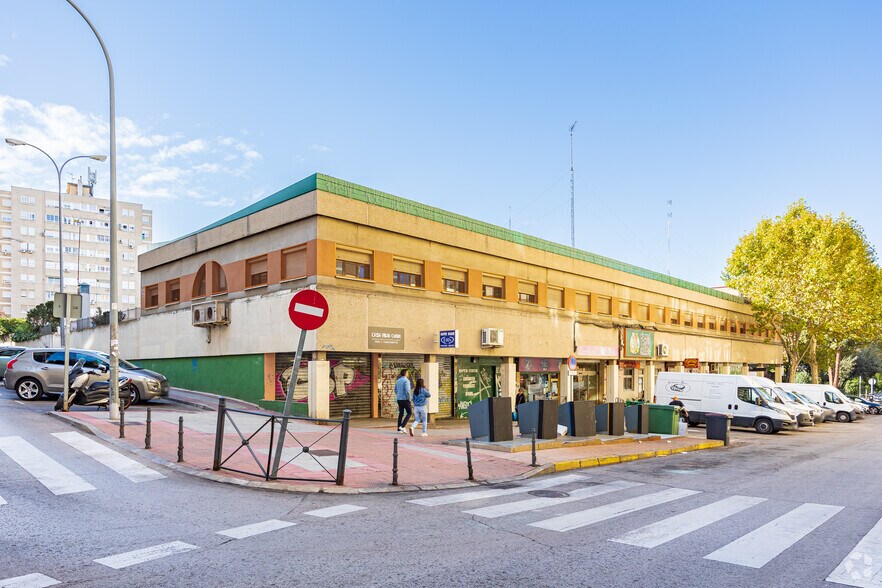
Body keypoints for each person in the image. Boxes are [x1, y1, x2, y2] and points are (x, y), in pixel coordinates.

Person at [395, 369, 413, 434]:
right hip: (405, 399)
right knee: (409, 412)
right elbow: (408, 391)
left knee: (401, 413)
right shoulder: (406, 381)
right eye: (407, 372)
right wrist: (409, 398)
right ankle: (402, 426)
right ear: (405, 373)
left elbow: (395, 390)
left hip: (399, 399)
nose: (408, 374)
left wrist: (399, 395)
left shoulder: (398, 381)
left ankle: (399, 429)